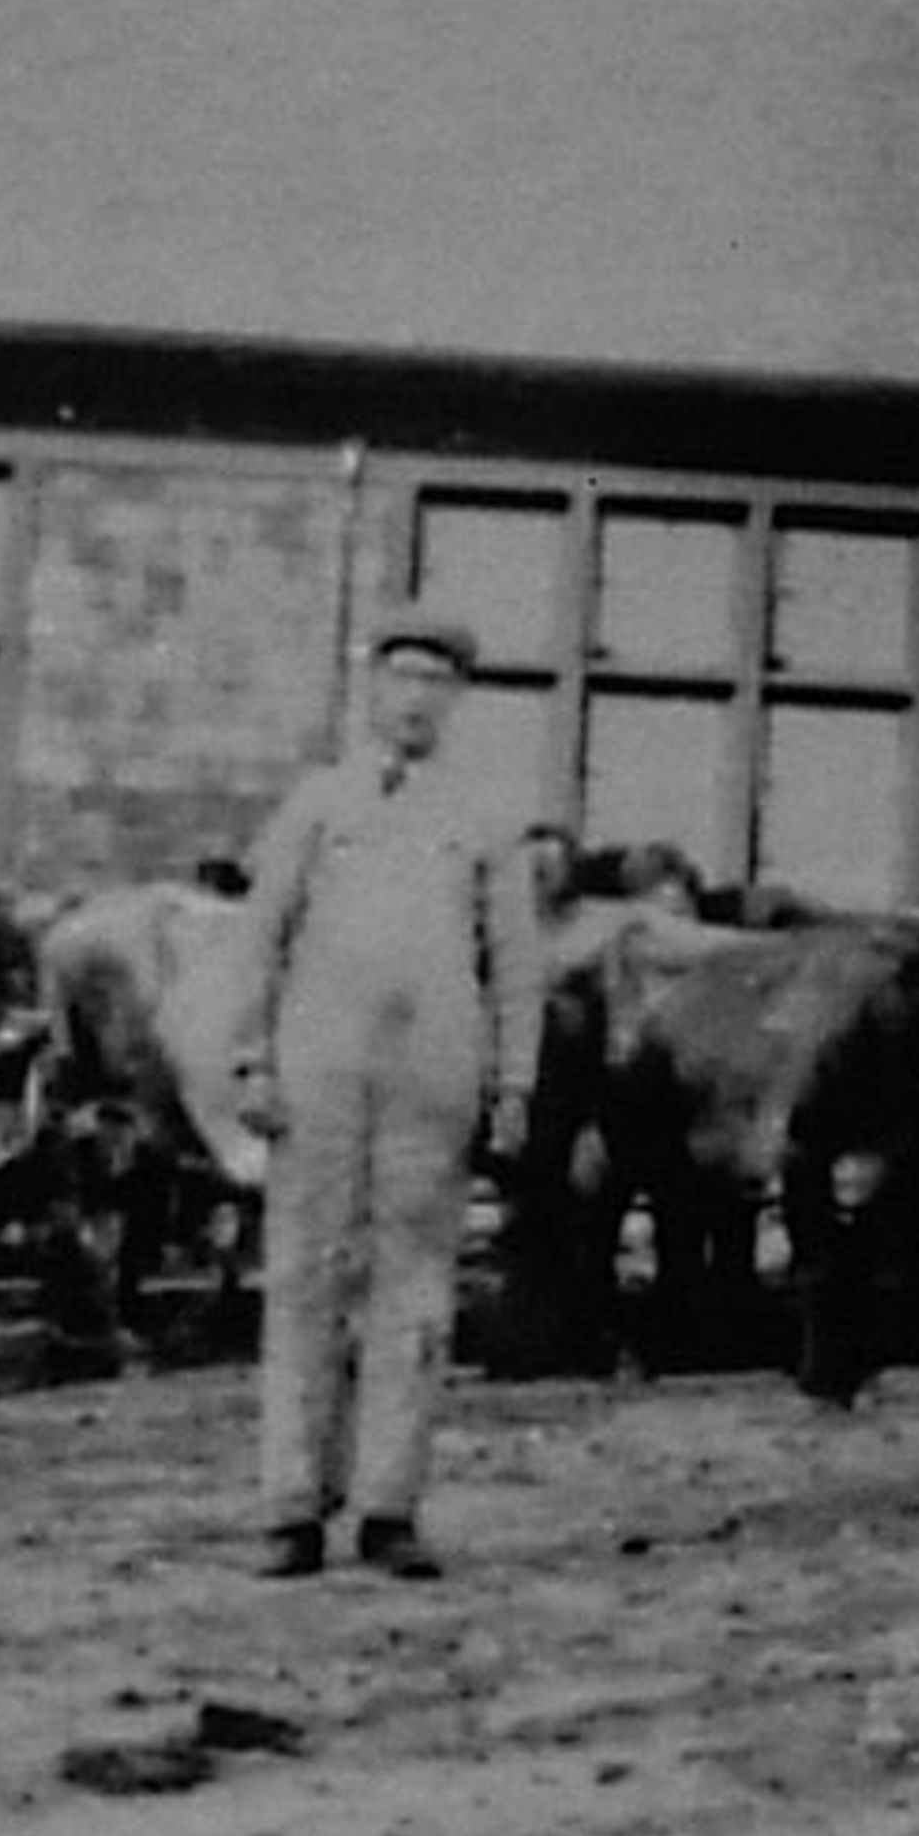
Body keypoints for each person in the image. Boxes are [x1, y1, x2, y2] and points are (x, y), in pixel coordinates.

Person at [225, 606, 545, 1580]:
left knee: (415, 1294)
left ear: (456, 700)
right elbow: (260, 939)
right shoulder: (317, 805)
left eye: (435, 684)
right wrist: (251, 1061)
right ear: (375, 689)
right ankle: (290, 1506)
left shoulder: (485, 821)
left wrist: (514, 1084)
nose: (416, 699)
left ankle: (389, 1507)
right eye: (400, 679)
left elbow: (518, 965)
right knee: (304, 1283)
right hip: (318, 1077)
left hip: (433, 1086)